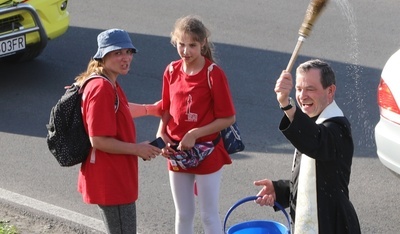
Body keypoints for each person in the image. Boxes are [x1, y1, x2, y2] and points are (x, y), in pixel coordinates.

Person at [254, 59, 361, 234]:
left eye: (310, 89)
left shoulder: (337, 127)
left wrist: (287, 105)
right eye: (298, 89)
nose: (302, 96)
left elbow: (316, 142)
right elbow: (314, 181)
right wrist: (279, 190)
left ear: (330, 91)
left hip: (333, 225)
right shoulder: (312, 120)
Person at [76, 28, 163, 234]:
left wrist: (151, 109)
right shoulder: (101, 88)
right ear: (102, 56)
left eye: (128, 52)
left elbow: (119, 109)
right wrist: (137, 149)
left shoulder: (106, 81)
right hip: (111, 178)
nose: (125, 58)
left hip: (113, 175)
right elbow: (98, 140)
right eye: (117, 53)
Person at [157, 15, 235, 234]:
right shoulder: (171, 71)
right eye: (181, 44)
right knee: (183, 214)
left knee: (209, 216)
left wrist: (194, 133)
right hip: (176, 152)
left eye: (192, 45)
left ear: (203, 44)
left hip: (207, 151)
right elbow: (166, 108)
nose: (186, 51)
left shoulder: (213, 74)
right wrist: (161, 132)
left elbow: (228, 118)